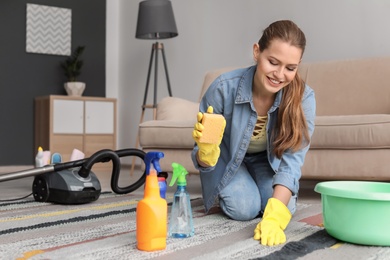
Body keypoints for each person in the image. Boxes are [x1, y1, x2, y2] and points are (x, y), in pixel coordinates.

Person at [191, 20, 316, 246]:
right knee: (243, 208)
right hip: (227, 159)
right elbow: (201, 158)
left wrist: (275, 218)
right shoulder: (222, 88)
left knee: (282, 206)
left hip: (266, 162)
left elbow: (292, 162)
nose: (279, 74)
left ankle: (257, 187)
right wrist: (206, 152)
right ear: (257, 52)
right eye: (273, 62)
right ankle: (239, 186)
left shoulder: (303, 99)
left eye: (290, 68)